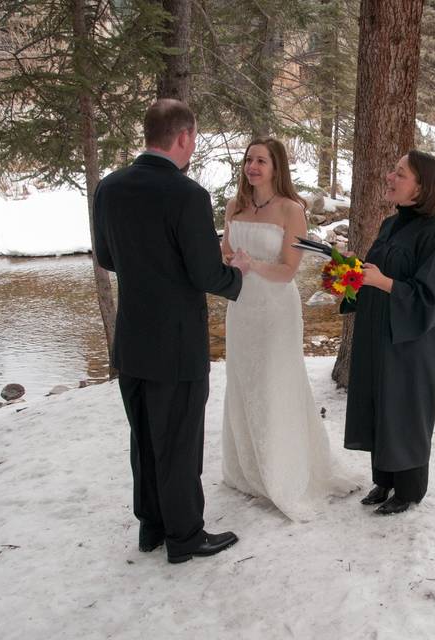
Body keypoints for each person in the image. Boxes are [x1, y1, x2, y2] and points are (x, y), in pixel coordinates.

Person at [93, 99, 249, 564]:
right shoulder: (188, 195)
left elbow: (106, 257)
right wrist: (236, 272)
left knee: (143, 437)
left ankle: (152, 527)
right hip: (177, 343)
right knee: (179, 441)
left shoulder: (109, 187)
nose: (193, 146)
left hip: (133, 337)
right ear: (183, 138)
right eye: (194, 138)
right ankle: (185, 536)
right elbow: (205, 272)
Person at [220, 137, 357, 521]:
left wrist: (252, 265)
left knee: (274, 383)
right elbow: (226, 253)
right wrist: (234, 263)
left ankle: (283, 472)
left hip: (275, 308)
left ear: (276, 167)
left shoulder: (291, 209)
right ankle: (249, 468)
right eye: (249, 160)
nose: (253, 167)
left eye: (261, 160)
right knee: (244, 382)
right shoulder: (235, 206)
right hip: (241, 307)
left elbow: (287, 270)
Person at [342, 150, 435, 515]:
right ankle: (385, 480)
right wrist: (351, 271)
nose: (390, 177)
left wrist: (383, 281)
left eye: (399, 174)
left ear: (422, 188)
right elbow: (378, 271)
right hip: (380, 333)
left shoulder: (434, 237)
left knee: (404, 409)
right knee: (380, 402)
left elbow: (430, 298)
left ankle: (408, 490)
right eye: (393, 170)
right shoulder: (391, 225)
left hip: (411, 343)